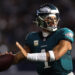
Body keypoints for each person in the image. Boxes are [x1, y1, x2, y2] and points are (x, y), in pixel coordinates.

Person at [4, 4, 75, 75]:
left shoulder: (64, 32)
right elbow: (20, 57)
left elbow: (56, 55)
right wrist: (10, 58)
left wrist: (29, 56)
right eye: (49, 18)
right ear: (40, 19)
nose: (53, 21)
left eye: (55, 18)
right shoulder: (32, 37)